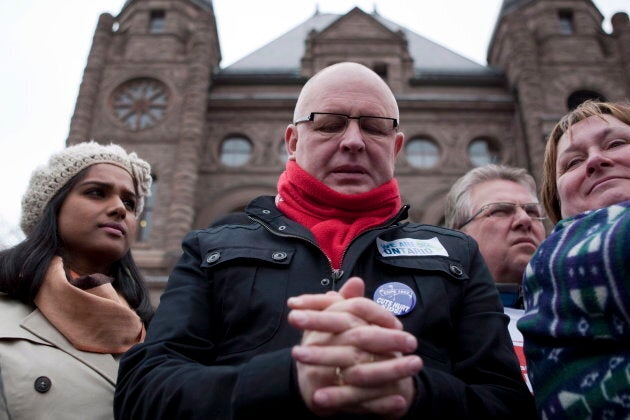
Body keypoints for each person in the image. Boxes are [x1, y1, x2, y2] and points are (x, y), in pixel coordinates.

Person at [114, 62, 536, 419]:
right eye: (329, 124)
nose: (352, 141)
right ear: (293, 142)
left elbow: (509, 403)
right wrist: (291, 376)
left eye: (374, 127)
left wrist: (412, 389)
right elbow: (142, 394)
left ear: (396, 146)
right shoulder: (208, 249)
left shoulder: (459, 254)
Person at [0, 141, 154, 419]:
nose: (119, 208)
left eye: (129, 203)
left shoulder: (157, 333)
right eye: (97, 192)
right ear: (52, 207)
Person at [517, 100, 630, 418]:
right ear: (558, 205)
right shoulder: (559, 261)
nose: (595, 160)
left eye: (616, 143)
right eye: (572, 162)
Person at [444, 163, 547, 392]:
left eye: (533, 212)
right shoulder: (438, 322)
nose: (525, 220)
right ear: (458, 235)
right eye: (500, 210)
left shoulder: (585, 313)